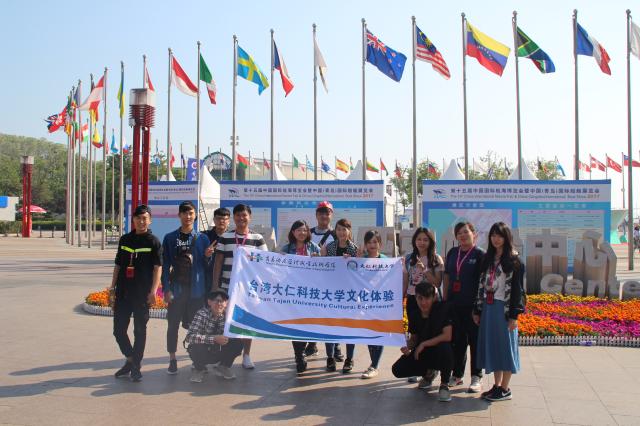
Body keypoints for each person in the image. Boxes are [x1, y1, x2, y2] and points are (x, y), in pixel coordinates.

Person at [110, 205, 162, 382]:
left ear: (150, 220)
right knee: (118, 331)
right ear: (133, 220)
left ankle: (136, 366)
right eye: (138, 218)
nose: (141, 221)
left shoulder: (153, 242)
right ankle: (131, 359)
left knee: (139, 331)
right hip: (123, 292)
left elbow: (158, 268)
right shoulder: (125, 240)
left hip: (142, 294)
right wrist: (112, 288)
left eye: (144, 218)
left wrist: (153, 291)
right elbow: (118, 265)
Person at [473, 222, 525, 402]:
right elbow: (480, 285)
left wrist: (514, 316)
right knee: (494, 347)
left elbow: (518, 291)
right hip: (488, 308)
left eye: (500, 235)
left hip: (504, 309)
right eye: (493, 235)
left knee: (506, 348)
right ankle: (496, 386)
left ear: (506, 238)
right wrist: (477, 309)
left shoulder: (514, 260)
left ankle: (505, 388)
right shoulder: (487, 258)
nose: (496, 239)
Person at [212, 204, 268, 369]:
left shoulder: (257, 238)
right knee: (225, 322)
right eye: (238, 215)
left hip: (247, 289)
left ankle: (246, 355)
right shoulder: (225, 237)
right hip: (226, 287)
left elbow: (265, 261)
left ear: (250, 217)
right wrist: (215, 285)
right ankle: (224, 356)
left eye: (244, 215)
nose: (241, 218)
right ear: (234, 218)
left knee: (247, 323)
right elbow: (218, 262)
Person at [162, 201, 212, 375]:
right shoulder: (170, 238)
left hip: (197, 291)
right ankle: (172, 359)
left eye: (190, 213)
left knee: (197, 327)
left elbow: (206, 267)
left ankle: (197, 360)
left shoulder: (203, 238)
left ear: (195, 215)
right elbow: (165, 265)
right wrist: (166, 289)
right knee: (173, 325)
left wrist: (207, 257)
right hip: (177, 289)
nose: (188, 216)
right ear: (179, 215)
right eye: (184, 213)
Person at [392, 282, 454, 402]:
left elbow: (447, 336)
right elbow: (414, 338)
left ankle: (444, 384)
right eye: (420, 298)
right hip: (423, 352)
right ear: (415, 298)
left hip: (439, 351)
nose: (423, 302)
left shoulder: (442, 310)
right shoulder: (414, 315)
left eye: (427, 298)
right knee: (397, 369)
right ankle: (428, 374)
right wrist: (407, 346)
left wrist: (424, 344)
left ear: (434, 298)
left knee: (445, 347)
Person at [442, 221, 484, 393]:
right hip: (454, 304)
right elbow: (447, 276)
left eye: (466, 232)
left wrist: (479, 308)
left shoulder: (480, 254)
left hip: (472, 307)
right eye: (459, 233)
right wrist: (445, 299)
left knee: (475, 341)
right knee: (458, 341)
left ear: (474, 234)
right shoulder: (453, 253)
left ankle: (476, 377)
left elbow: (483, 283)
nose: (462, 235)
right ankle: (457, 375)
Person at [279, 220, 322, 375]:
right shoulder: (286, 249)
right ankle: (299, 356)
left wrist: (319, 259)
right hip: (293, 293)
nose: (302, 233)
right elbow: (278, 269)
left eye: (304, 230)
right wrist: (279, 259)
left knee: (308, 324)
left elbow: (324, 268)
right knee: (295, 325)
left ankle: (305, 349)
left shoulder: (314, 247)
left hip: (310, 294)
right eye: (298, 230)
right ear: (293, 232)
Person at [402, 227, 444, 386]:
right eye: (419, 239)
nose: (421, 242)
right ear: (414, 241)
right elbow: (406, 280)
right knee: (414, 334)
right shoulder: (408, 258)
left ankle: (430, 371)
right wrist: (402, 297)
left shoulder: (436, 259)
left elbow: (437, 282)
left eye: (425, 239)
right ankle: (416, 368)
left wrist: (424, 270)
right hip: (413, 299)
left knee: (428, 335)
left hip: (429, 302)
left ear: (430, 242)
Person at [321, 218, 358, 373]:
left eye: (344, 229)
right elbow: (323, 268)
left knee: (350, 328)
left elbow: (358, 273)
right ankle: (330, 357)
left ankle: (349, 359)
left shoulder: (355, 249)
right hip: (331, 294)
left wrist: (351, 263)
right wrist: (321, 256)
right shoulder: (329, 247)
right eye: (338, 229)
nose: (341, 232)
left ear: (349, 231)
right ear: (335, 231)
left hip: (349, 295)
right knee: (330, 327)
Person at [186, 290, 244, 382]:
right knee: (196, 347)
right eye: (217, 300)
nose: (220, 304)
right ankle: (199, 369)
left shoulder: (229, 316)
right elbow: (190, 337)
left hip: (219, 348)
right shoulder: (202, 314)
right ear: (209, 302)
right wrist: (214, 339)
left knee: (238, 343)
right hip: (204, 348)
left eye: (223, 301)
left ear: (226, 303)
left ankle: (223, 366)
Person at [305, 201, 339, 359]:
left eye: (327, 212)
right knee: (312, 314)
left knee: (332, 315)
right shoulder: (308, 232)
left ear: (331, 215)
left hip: (331, 282)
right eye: (321, 212)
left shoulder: (337, 234)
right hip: (311, 282)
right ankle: (312, 344)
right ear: (316, 215)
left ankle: (336, 347)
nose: (324, 216)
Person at [357, 230, 387, 379]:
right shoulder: (361, 260)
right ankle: (373, 363)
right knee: (369, 334)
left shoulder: (386, 260)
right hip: (365, 303)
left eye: (375, 242)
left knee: (379, 334)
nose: (372, 245)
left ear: (380, 243)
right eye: (369, 242)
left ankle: (374, 365)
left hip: (381, 303)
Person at [203, 207, 231, 290]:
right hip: (208, 279)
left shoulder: (233, 237)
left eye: (224, 219)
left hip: (228, 279)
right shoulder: (204, 236)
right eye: (218, 218)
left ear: (229, 221)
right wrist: (206, 255)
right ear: (214, 220)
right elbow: (197, 258)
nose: (221, 221)